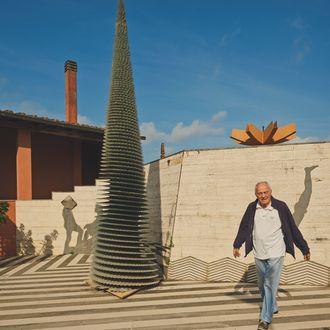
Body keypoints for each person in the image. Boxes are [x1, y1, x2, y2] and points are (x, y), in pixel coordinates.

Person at [233, 181, 310, 330]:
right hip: (259, 253)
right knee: (262, 285)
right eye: (260, 193)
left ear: (270, 191)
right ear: (256, 194)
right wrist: (237, 245)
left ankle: (265, 318)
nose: (263, 196)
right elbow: (244, 227)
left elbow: (293, 229)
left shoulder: (280, 207)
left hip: (276, 252)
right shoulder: (252, 208)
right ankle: (272, 305)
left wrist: (304, 248)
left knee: (269, 284)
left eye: (265, 192)